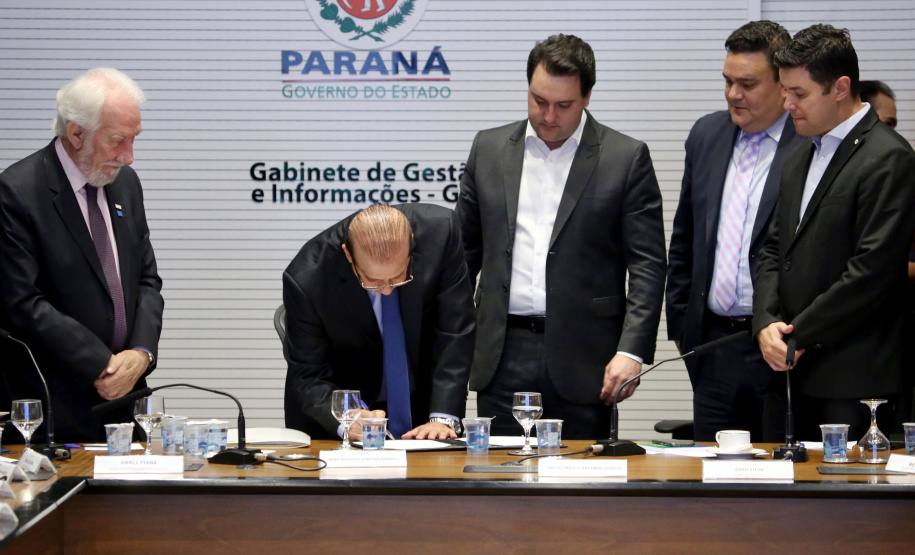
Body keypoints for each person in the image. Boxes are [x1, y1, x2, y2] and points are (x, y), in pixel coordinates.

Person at [456, 34, 667, 439]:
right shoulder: (489, 149)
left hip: (586, 357)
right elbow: (462, 257)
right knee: (500, 472)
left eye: (564, 105)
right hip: (501, 354)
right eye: (539, 100)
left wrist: (632, 350)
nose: (548, 115)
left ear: (587, 97)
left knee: (583, 476)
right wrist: (449, 343)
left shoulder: (625, 158)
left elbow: (648, 266)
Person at [753, 25, 915, 441]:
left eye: (799, 93)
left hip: (853, 380)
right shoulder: (800, 155)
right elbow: (773, 249)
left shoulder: (889, 157)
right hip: (787, 372)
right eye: (785, 91)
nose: (787, 104)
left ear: (840, 88)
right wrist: (766, 322)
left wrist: (797, 334)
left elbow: (872, 271)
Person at [0, 68, 164, 443]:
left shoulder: (125, 183)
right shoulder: (17, 192)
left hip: (127, 402)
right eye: (117, 141)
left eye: (134, 139)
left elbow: (147, 281)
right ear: (76, 134)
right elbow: (21, 303)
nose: (129, 156)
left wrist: (140, 354)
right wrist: (101, 364)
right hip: (55, 410)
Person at [666, 21, 805, 442]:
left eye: (747, 84)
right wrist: (683, 327)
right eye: (727, 81)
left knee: (783, 471)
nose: (732, 94)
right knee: (715, 476)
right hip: (712, 348)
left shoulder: (808, 144)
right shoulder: (706, 135)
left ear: (782, 84)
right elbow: (685, 239)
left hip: (780, 348)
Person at [283, 203, 475, 440]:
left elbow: (455, 330)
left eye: (398, 276)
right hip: (343, 409)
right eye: (372, 281)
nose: (386, 290)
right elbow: (308, 374)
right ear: (348, 255)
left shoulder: (441, 232)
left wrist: (442, 418)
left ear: (411, 244)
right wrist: (348, 418)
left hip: (422, 400)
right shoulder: (308, 277)